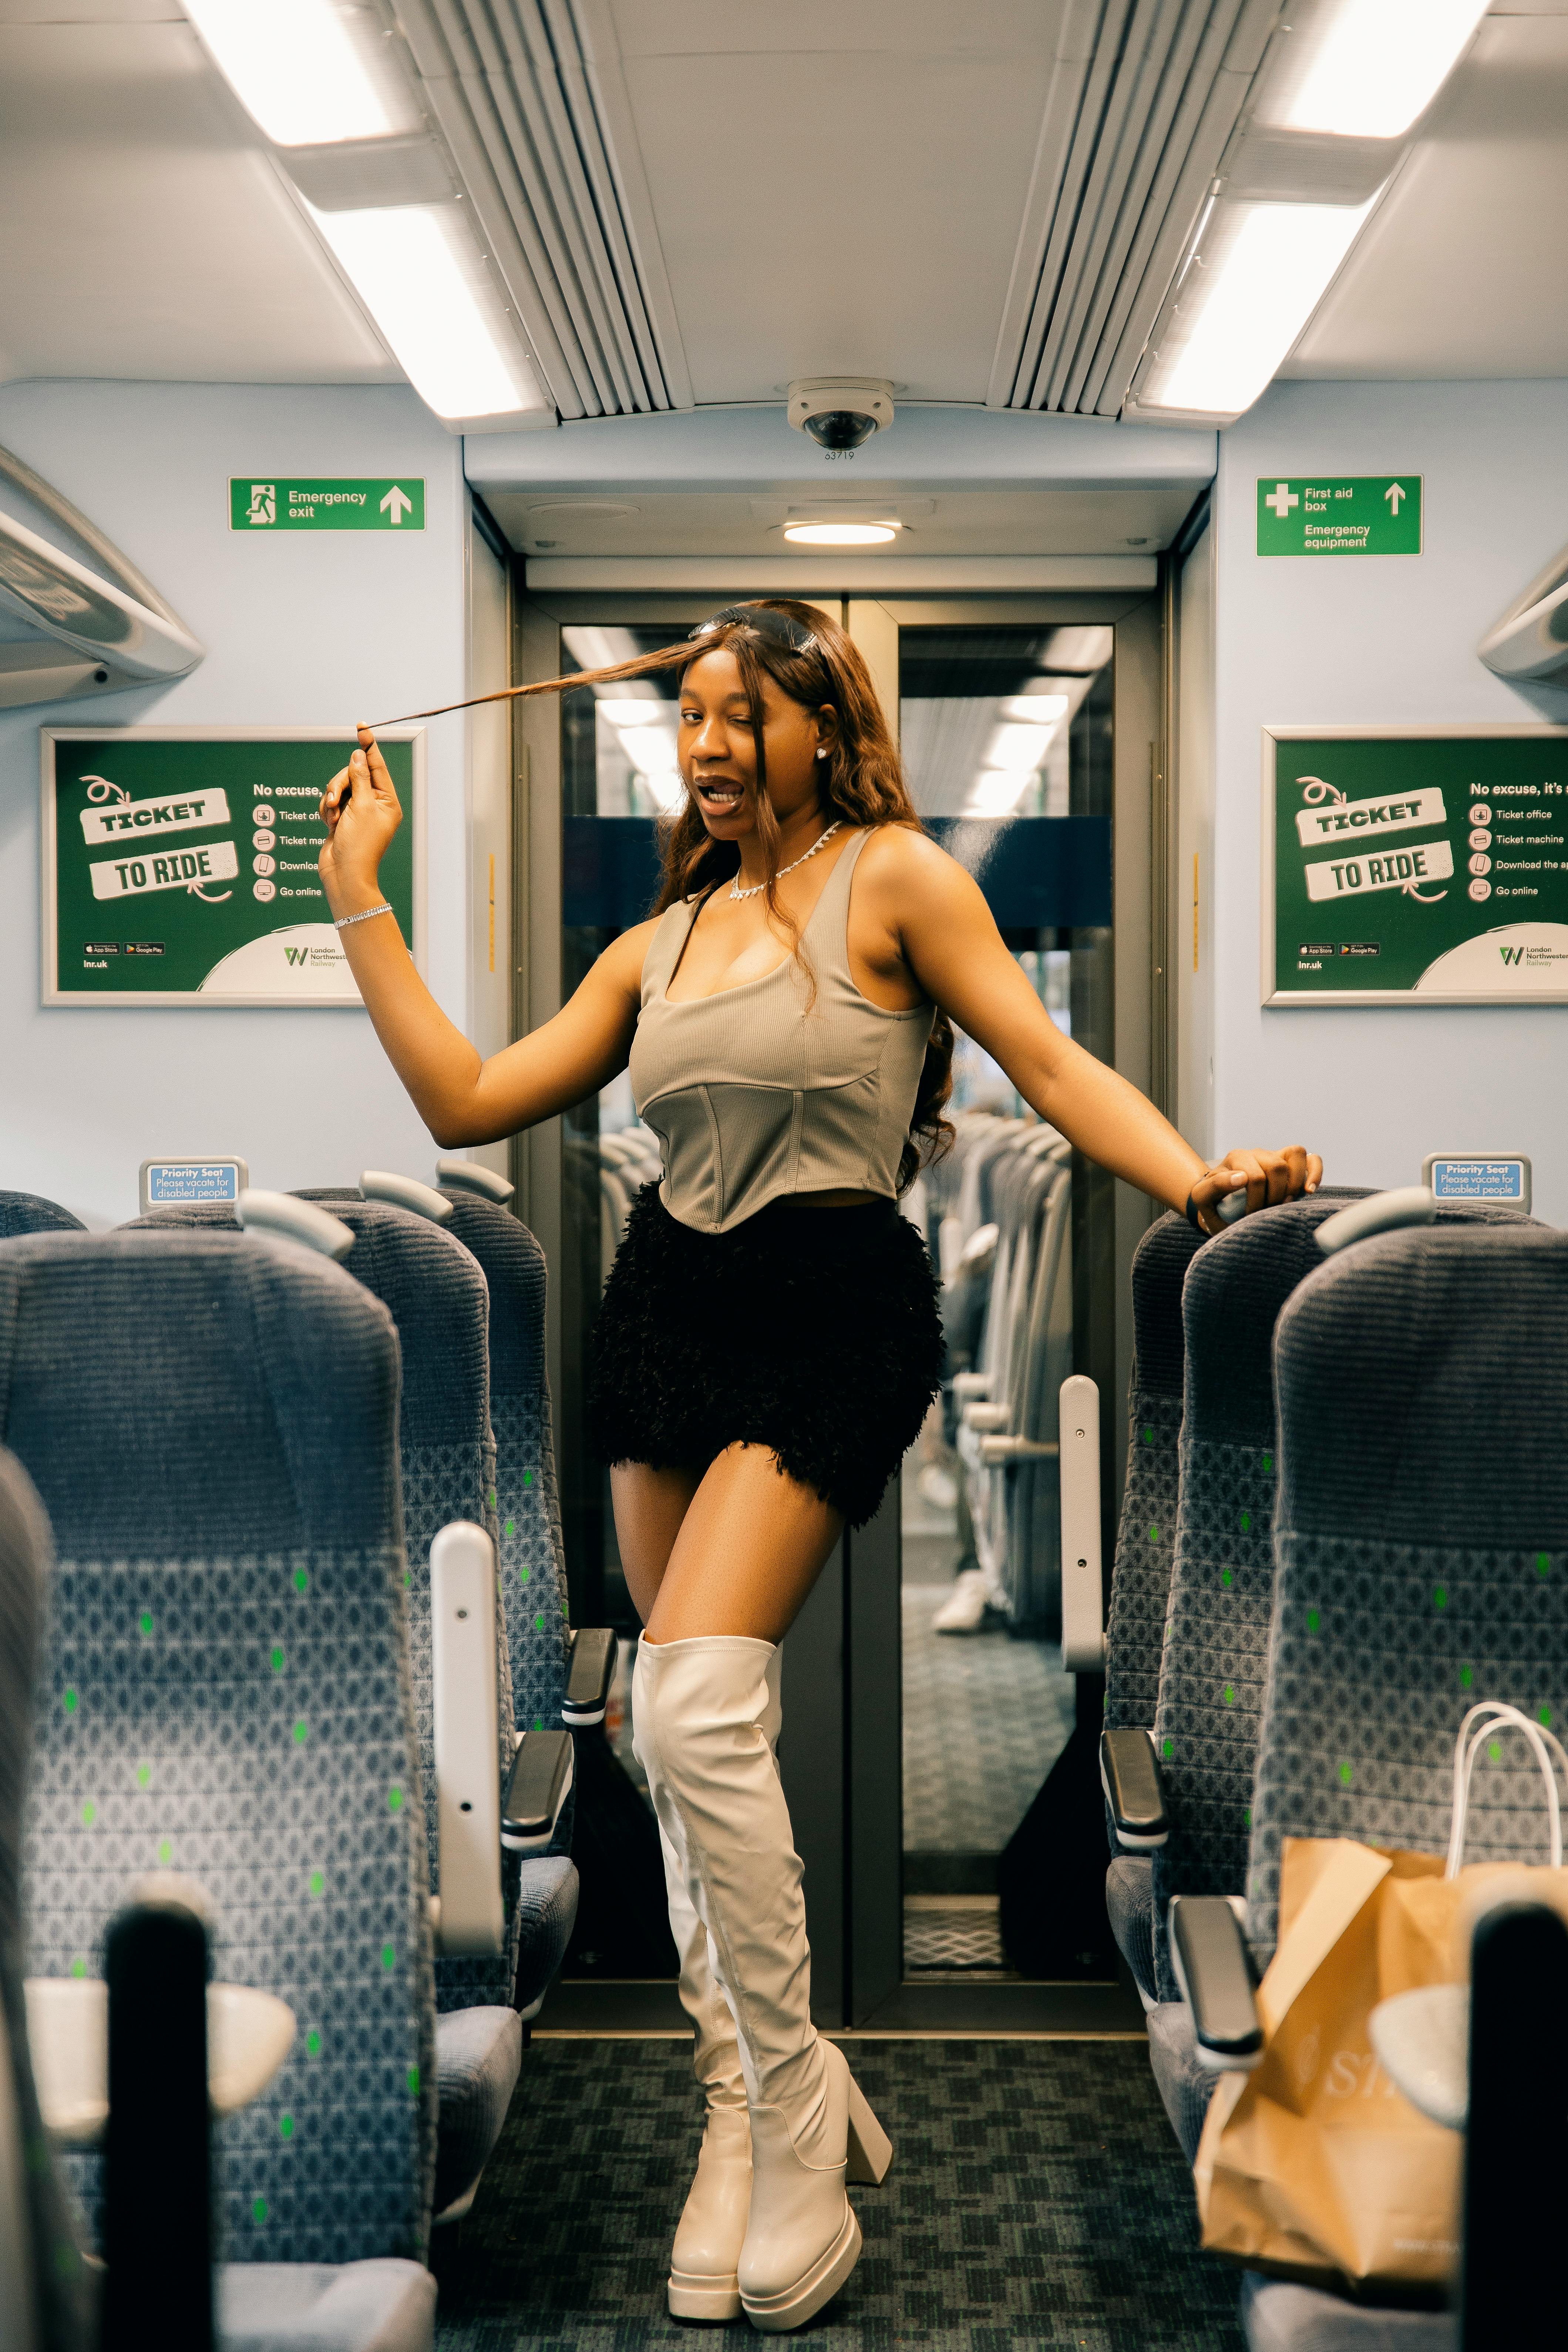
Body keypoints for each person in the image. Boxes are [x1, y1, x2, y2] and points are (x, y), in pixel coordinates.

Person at [318, 599, 1320, 2332]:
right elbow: (468, 1101)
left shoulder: (898, 878)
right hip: (669, 1312)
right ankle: (747, 2107)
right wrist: (360, 900)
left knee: (701, 1699)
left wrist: (1193, 1179)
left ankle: (787, 2104)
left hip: (833, 1306)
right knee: (658, 1718)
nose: (703, 745)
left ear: (816, 722)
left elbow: (1049, 1056)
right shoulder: (665, 938)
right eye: (688, 718)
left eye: (732, 716)